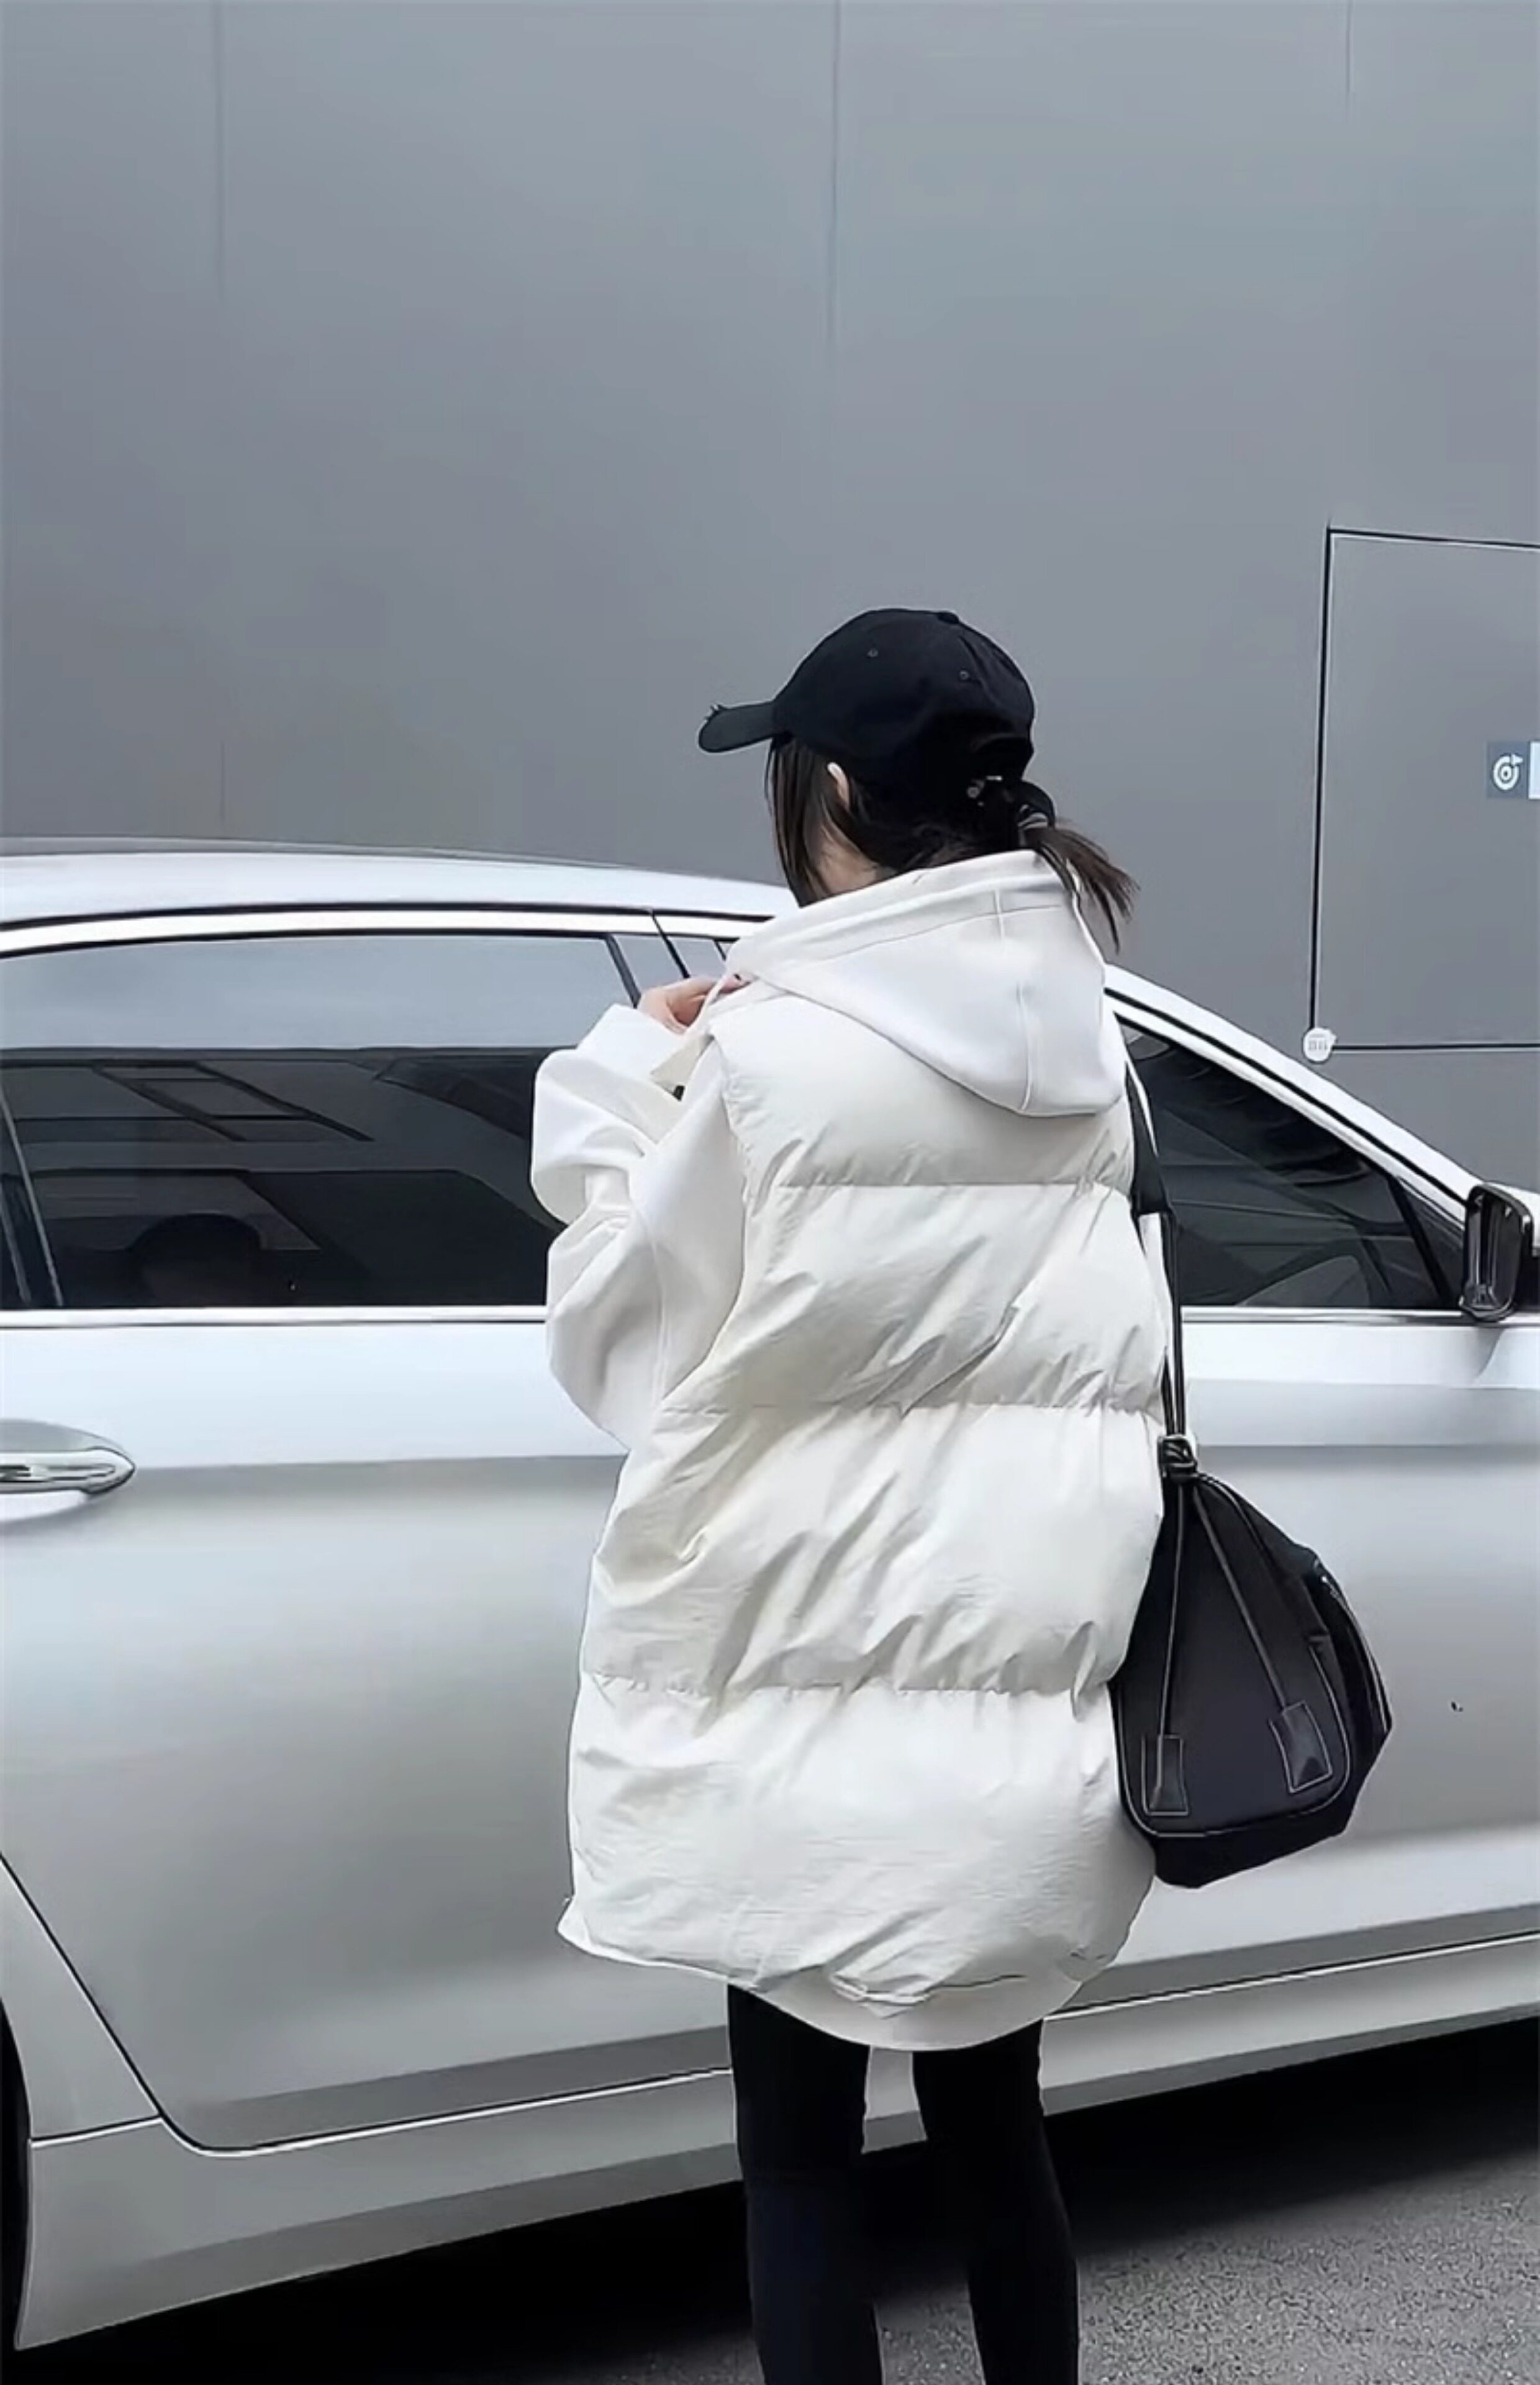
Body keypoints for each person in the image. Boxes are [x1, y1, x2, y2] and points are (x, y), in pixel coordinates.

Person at [531, 609, 1169, 2384]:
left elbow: (624, 1349)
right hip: (1015, 1701)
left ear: (822, 792)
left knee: (802, 2163)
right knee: (998, 2139)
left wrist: (613, 1080)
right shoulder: (1090, 1045)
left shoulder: (769, 1054)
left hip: (798, 1705)